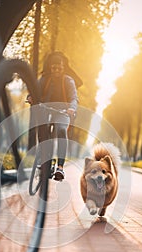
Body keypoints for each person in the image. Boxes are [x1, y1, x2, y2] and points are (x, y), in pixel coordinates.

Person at [37, 51, 79, 181]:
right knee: (43, 131)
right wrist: (31, 97)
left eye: (59, 67)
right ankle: (46, 163)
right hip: (46, 110)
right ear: (50, 67)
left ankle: (60, 167)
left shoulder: (68, 81)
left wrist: (72, 108)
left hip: (63, 112)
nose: (56, 70)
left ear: (63, 67)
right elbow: (35, 91)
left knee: (61, 129)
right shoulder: (44, 79)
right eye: (53, 67)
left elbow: (74, 98)